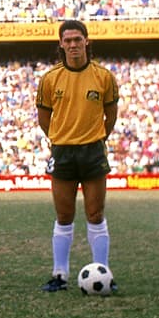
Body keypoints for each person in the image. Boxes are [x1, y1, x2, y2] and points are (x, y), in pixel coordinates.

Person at [36, 20, 119, 292]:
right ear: (61, 44)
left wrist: (96, 137)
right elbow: (44, 118)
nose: (73, 44)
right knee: (64, 215)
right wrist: (60, 138)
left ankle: (102, 271)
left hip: (93, 150)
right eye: (68, 40)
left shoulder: (104, 77)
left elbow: (111, 116)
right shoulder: (50, 79)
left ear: (86, 41)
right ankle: (60, 274)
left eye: (77, 39)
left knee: (95, 213)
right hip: (62, 151)